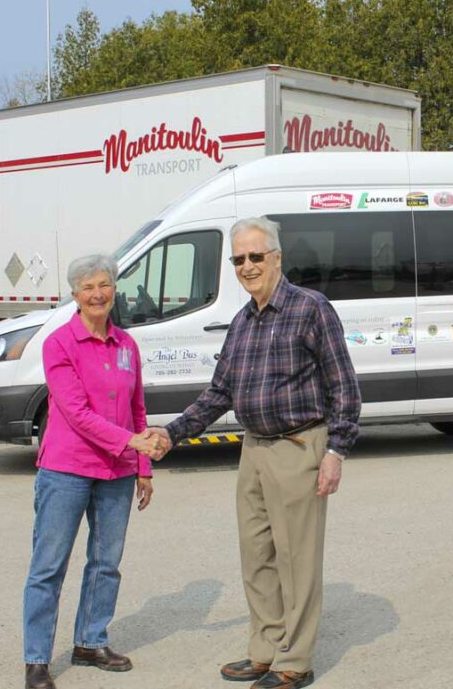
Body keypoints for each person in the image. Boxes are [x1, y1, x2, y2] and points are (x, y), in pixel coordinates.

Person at [147, 217, 361, 689]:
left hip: (299, 446)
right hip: (253, 451)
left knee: (296, 559)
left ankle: (295, 660)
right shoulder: (243, 321)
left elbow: (343, 386)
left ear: (277, 259)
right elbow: (219, 392)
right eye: (239, 259)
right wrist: (172, 433)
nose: (247, 266)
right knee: (257, 557)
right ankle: (264, 649)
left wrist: (336, 452)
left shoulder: (311, 309)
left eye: (255, 257)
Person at [22, 253, 170, 689]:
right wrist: (132, 443)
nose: (97, 293)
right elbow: (76, 412)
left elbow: (136, 407)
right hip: (66, 470)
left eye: (104, 284)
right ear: (74, 295)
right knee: (49, 566)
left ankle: (90, 640)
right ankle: (36, 659)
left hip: (119, 472)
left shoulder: (127, 346)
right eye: (88, 287)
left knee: (106, 563)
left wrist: (143, 467)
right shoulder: (59, 345)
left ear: (115, 289)